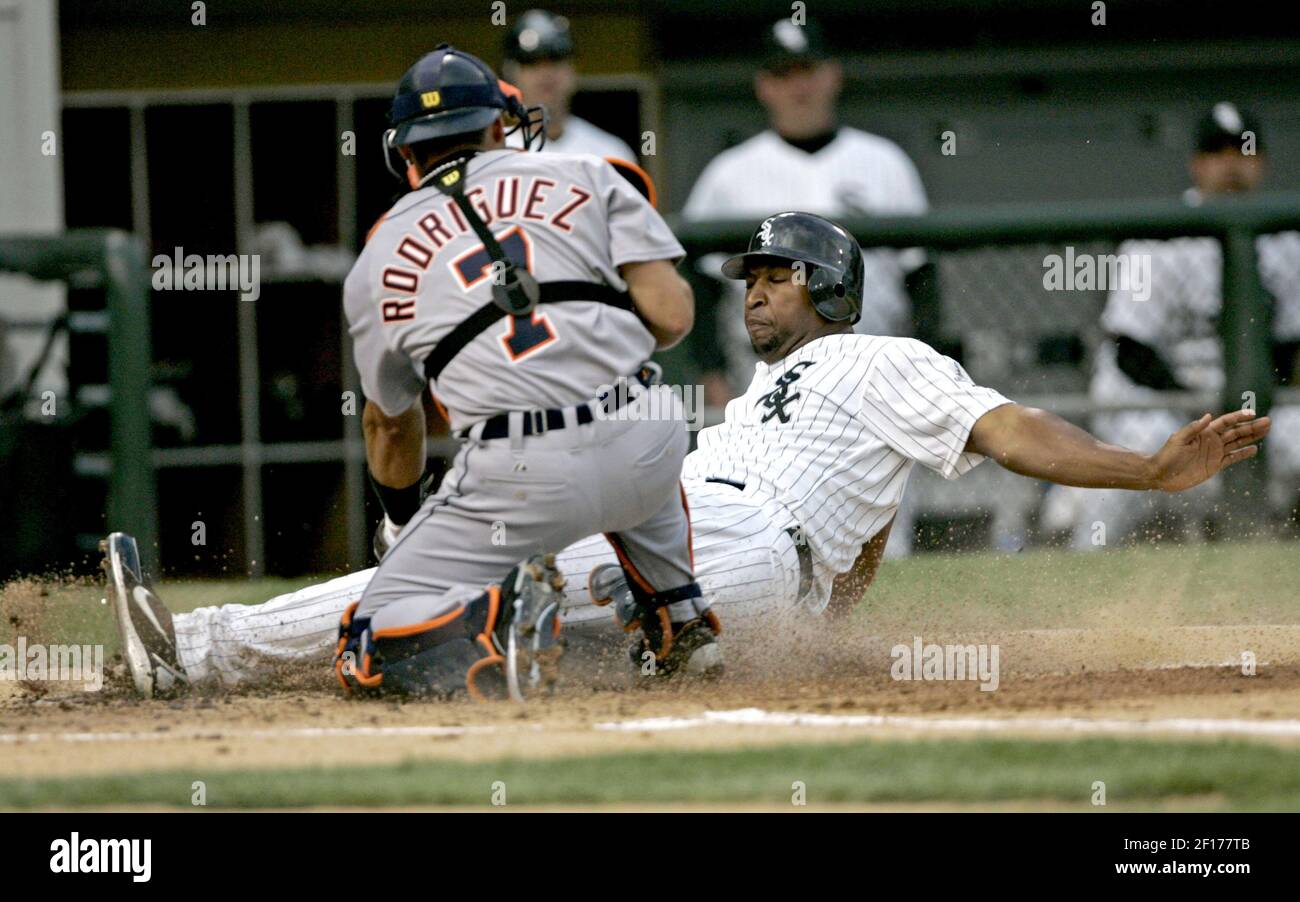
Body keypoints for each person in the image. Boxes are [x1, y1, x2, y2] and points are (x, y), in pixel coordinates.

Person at [103, 213, 1270, 694]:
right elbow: (857, 552)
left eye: (769, 275)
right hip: (719, 530)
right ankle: (216, 648)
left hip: (743, 533)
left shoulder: (882, 358)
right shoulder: (775, 390)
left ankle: (491, 634)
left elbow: (1008, 430)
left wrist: (1148, 469)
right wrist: (819, 638)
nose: (752, 290)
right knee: (496, 575)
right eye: (751, 276)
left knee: (513, 577)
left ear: (820, 288)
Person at [103, 44, 718, 701]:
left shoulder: (378, 255)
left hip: (522, 472)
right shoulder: (592, 172)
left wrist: (401, 518)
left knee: (366, 640)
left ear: (406, 153)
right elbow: (672, 317)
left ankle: (494, 621)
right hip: (648, 440)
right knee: (639, 433)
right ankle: (679, 618)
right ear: (496, 125)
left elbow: (390, 428)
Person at [1043, 102, 1300, 548]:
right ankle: (1085, 561)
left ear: (1262, 162)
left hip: (1251, 397)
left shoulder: (1288, 239)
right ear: (1196, 164)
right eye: (1217, 152)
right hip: (1163, 394)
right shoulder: (1160, 236)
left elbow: (1293, 345)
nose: (1231, 165)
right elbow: (1132, 351)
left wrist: (1248, 405)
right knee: (1138, 451)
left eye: (1243, 151)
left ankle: (1268, 559)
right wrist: (1200, 409)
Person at [683, 17, 929, 405]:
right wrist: (711, 372)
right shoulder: (727, 174)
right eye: (784, 74)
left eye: (808, 71)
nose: (799, 86)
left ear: (834, 76)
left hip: (876, 372)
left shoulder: (886, 162)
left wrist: (924, 361)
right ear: (763, 86)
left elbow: (922, 276)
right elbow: (701, 286)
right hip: (763, 377)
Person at [501, 9, 637, 160]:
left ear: (573, 70)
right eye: (532, 62)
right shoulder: (493, 154)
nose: (545, 73)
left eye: (555, 60)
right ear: (511, 74)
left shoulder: (610, 153)